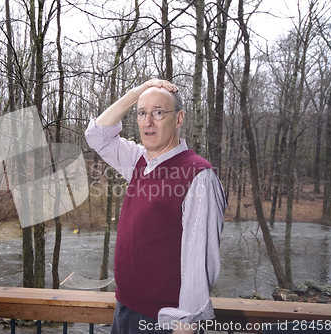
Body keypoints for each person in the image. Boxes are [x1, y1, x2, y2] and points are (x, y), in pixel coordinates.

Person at [85, 79, 227, 334]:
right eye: (142, 113)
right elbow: (96, 135)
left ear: (179, 119)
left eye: (159, 112)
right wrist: (136, 93)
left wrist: (185, 324)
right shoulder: (140, 161)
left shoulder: (198, 174)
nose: (148, 122)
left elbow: (200, 261)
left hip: (161, 321)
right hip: (124, 308)